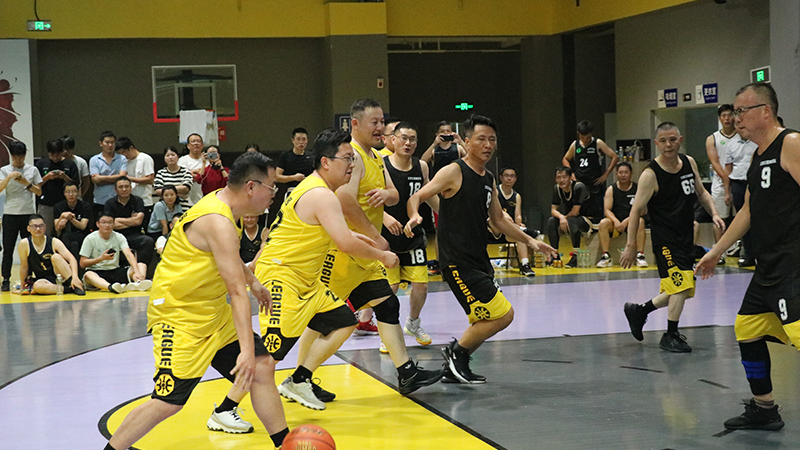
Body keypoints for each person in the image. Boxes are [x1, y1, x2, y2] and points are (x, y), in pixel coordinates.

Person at [104, 152, 289, 449]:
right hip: (179, 316)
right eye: (272, 187)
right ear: (251, 187)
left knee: (262, 367)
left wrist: (254, 281)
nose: (274, 193)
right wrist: (244, 351)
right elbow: (236, 293)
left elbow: (227, 255)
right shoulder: (217, 220)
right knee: (168, 402)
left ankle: (285, 444)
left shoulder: (226, 206)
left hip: (210, 310)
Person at [281, 99, 442, 408]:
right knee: (327, 319)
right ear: (355, 124)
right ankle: (299, 378)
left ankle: (406, 372)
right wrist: (376, 237)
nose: (381, 127)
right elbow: (345, 201)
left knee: (388, 304)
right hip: (345, 253)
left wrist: (386, 195)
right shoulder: (351, 156)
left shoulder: (376, 157)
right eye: (375, 122)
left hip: (363, 254)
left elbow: (394, 193)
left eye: (383, 121)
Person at [253, 127, 426, 415]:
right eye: (346, 159)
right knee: (272, 353)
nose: (351, 164)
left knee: (345, 319)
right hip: (283, 277)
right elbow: (344, 240)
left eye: (352, 159)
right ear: (326, 162)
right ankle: (227, 407)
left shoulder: (322, 187)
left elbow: (339, 233)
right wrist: (382, 253)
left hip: (305, 276)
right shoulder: (322, 194)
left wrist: (367, 239)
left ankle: (301, 378)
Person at [406, 115, 557, 384]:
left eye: (492, 140)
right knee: (503, 315)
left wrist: (531, 241)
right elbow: (417, 196)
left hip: (479, 260)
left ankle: (456, 364)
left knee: (483, 318)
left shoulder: (488, 178)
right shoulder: (454, 171)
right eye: (481, 139)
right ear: (466, 142)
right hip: (456, 261)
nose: (488, 145)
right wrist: (415, 215)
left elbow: (498, 220)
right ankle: (456, 354)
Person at [696, 82, 797, 431]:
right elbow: (748, 212)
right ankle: (764, 408)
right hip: (768, 266)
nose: (735, 117)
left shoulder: (791, 144)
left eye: (742, 110)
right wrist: (716, 251)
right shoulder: (757, 155)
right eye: (735, 111)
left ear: (765, 112)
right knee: (748, 327)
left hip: (793, 266)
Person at [621, 122, 724, 353]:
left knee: (683, 289)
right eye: (663, 141)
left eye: (672, 139)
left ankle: (640, 311)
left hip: (685, 238)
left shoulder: (689, 163)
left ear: (680, 140)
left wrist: (715, 214)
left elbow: (701, 192)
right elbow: (635, 211)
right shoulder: (650, 175)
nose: (668, 145)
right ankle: (670, 334)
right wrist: (631, 245)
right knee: (681, 286)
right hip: (665, 241)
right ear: (656, 144)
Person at [381, 122, 439, 349]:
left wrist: (446, 215)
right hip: (387, 237)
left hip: (413, 235)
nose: (408, 143)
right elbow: (367, 199)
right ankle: (389, 332)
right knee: (391, 288)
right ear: (393, 140)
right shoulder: (381, 164)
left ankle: (413, 323)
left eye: (412, 139)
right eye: (403, 138)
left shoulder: (421, 166)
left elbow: (427, 194)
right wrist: (385, 218)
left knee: (421, 285)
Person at [420, 121, 466, 276]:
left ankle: (459, 260)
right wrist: (434, 144)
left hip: (456, 192)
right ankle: (441, 262)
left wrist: (460, 141)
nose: (446, 134)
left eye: (449, 131)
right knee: (440, 229)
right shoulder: (435, 150)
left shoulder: (458, 149)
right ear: (437, 134)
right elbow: (422, 162)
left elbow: (473, 159)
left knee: (459, 227)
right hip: (439, 194)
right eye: (443, 132)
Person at [0, 141, 43, 291]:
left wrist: (26, 182)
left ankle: (29, 277)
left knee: (30, 248)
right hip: (10, 213)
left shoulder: (32, 170)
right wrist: (9, 177)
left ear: (25, 155)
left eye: (21, 156)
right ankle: (6, 279)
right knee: (8, 249)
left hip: (27, 214)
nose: (19, 159)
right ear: (11, 156)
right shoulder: (4, 170)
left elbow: (39, 192)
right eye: (16, 156)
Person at [562, 120, 619, 221]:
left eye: (587, 137)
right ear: (578, 134)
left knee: (596, 211)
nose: (585, 140)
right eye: (582, 137)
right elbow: (565, 159)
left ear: (591, 134)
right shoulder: (575, 145)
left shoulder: (598, 143)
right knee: (578, 210)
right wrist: (571, 174)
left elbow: (614, 157)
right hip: (580, 181)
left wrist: (605, 175)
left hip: (594, 182)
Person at [80, 214, 150, 294]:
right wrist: (101, 258)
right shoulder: (90, 238)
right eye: (104, 222)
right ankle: (111, 287)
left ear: (114, 224)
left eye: (110, 222)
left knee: (141, 265)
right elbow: (82, 263)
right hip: (96, 271)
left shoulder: (119, 236)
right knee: (88, 275)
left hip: (115, 271)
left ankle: (138, 283)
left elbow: (128, 254)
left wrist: (137, 271)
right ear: (97, 224)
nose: (107, 225)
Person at [596, 162, 648, 268]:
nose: (623, 175)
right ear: (616, 174)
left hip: (632, 221)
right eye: (620, 172)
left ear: (631, 173)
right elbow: (607, 210)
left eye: (626, 172)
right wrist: (616, 221)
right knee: (603, 223)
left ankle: (640, 256)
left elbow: (642, 210)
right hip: (615, 222)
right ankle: (605, 256)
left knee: (640, 221)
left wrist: (627, 221)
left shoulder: (638, 189)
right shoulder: (611, 189)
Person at [17, 214, 85, 295]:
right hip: (45, 280)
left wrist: (75, 278)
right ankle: (69, 289)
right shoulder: (24, 244)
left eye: (41, 226)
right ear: (28, 228)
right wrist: (22, 288)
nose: (38, 229)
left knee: (56, 257)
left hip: (61, 276)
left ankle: (75, 284)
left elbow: (71, 258)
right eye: (35, 226)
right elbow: (24, 267)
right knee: (38, 286)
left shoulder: (54, 241)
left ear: (45, 227)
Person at [488, 166, 538, 276]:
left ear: (515, 179)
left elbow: (518, 215)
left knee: (519, 234)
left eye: (512, 176)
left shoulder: (517, 196)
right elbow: (493, 212)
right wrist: (505, 216)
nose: (509, 178)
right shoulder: (495, 192)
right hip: (493, 229)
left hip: (508, 230)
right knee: (503, 218)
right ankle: (523, 230)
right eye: (506, 176)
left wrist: (518, 223)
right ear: (501, 178)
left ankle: (525, 265)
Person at [104, 177, 155, 269]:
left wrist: (118, 220)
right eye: (120, 187)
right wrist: (131, 220)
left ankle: (140, 268)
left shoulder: (138, 201)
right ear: (115, 189)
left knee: (148, 241)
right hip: (116, 236)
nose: (124, 189)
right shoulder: (109, 203)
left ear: (131, 188)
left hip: (134, 235)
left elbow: (138, 221)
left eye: (127, 186)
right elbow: (110, 225)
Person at [547, 166, 591, 268]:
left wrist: (564, 218)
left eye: (564, 177)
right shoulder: (557, 188)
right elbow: (553, 210)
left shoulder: (579, 187)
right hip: (571, 218)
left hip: (588, 219)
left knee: (572, 221)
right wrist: (562, 217)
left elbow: (575, 211)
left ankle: (576, 255)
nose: (561, 180)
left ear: (570, 177)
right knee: (551, 221)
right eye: (558, 177)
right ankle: (555, 254)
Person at [35, 138, 79, 235]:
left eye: (58, 154)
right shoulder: (41, 164)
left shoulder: (70, 164)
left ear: (62, 152)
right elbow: (35, 185)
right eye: (52, 155)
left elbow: (75, 184)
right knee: (45, 232)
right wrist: (47, 177)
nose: (55, 158)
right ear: (48, 152)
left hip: (65, 204)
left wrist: (64, 177)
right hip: (46, 204)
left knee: (65, 233)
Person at [117, 137, 155, 225]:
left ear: (131, 148)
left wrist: (129, 179)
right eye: (121, 153)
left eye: (124, 152)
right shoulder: (126, 161)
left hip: (145, 200)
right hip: (130, 200)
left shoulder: (145, 158)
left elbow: (150, 179)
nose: (123, 155)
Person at [89, 131, 128, 217]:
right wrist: (116, 179)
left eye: (112, 142)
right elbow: (96, 181)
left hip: (119, 200)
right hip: (100, 200)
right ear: (101, 143)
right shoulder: (94, 160)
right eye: (107, 142)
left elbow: (122, 178)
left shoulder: (122, 158)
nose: (110, 145)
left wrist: (101, 178)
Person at [54, 181, 94, 261]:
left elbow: (82, 226)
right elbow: (57, 228)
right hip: (66, 236)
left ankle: (70, 263)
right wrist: (62, 217)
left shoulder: (85, 206)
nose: (71, 194)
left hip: (82, 235)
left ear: (78, 192)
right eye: (68, 192)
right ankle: (76, 266)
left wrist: (70, 218)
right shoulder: (58, 206)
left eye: (74, 192)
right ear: (64, 193)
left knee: (67, 237)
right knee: (73, 244)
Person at [154, 146, 193, 210]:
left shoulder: (186, 172)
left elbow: (186, 188)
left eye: (173, 155)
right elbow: (157, 191)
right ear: (164, 158)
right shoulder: (161, 173)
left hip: (183, 206)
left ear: (178, 157)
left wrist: (166, 191)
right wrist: (179, 194)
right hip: (165, 208)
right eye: (167, 155)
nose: (170, 157)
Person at [178, 133, 207, 206]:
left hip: (206, 198)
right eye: (193, 141)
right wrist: (201, 172)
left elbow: (209, 176)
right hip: (187, 200)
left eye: (198, 141)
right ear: (188, 146)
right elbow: (184, 177)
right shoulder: (182, 160)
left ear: (202, 145)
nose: (196, 143)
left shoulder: (208, 160)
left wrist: (194, 171)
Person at [61, 135, 91, 199]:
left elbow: (86, 182)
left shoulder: (81, 162)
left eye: (68, 148)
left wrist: (80, 195)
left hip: (76, 198)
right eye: (63, 149)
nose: (65, 151)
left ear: (72, 148)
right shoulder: (56, 161)